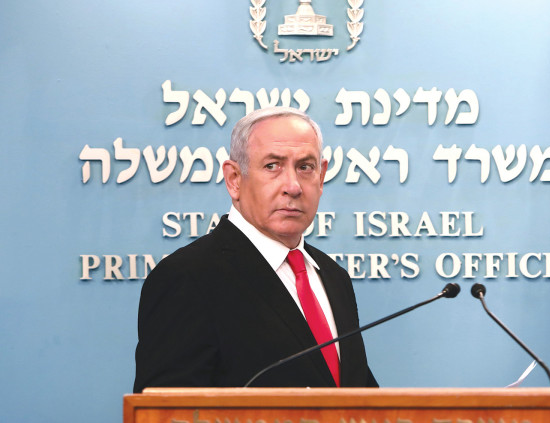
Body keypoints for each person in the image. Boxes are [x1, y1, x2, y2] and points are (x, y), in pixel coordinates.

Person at [133, 106, 378, 393]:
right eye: (272, 166)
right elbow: (167, 408)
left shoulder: (333, 276)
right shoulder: (187, 277)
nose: (293, 186)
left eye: (305, 167)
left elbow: (358, 393)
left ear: (321, 176)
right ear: (234, 179)